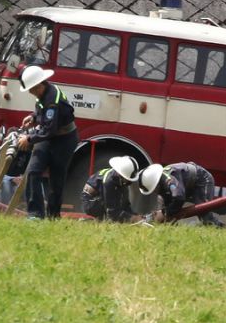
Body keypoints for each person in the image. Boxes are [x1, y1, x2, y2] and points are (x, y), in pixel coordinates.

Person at [16, 65, 78, 219]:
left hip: (64, 140)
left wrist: (29, 139)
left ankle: (53, 216)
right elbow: (41, 112)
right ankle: (35, 214)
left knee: (56, 180)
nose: (30, 92)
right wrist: (33, 117)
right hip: (47, 138)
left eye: (31, 89)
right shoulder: (43, 93)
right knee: (33, 171)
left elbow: (49, 129)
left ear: (39, 85)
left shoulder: (52, 101)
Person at [137, 161, 223, 227]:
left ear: (156, 183)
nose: (154, 192)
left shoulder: (169, 179)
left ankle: (221, 229)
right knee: (169, 215)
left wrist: (165, 213)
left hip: (202, 180)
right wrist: (162, 213)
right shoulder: (161, 184)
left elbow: (179, 198)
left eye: (154, 189)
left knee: (205, 215)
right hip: (187, 184)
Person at [81, 155, 140, 222]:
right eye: (128, 180)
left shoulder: (120, 179)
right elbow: (112, 212)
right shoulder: (109, 182)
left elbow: (125, 204)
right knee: (112, 215)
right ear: (121, 175)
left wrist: (135, 216)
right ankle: (95, 220)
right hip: (90, 202)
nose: (129, 182)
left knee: (120, 205)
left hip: (101, 195)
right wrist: (132, 218)